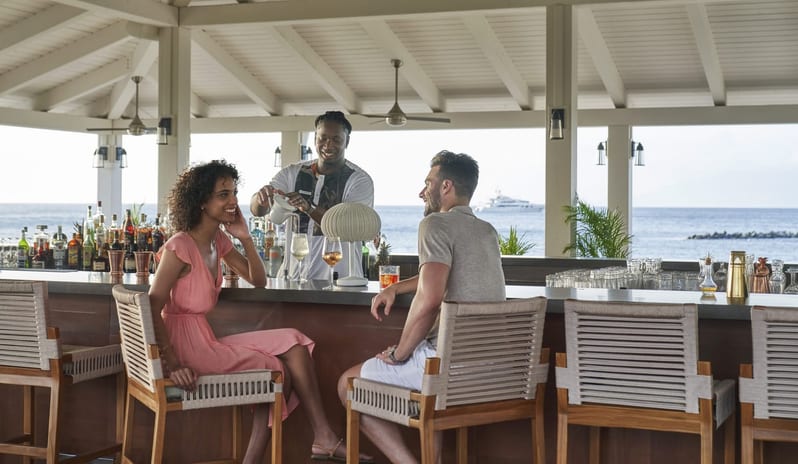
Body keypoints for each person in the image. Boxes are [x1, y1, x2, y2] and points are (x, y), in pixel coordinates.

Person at [149, 160, 371, 464]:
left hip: (204, 339)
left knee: (294, 343)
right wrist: (173, 364)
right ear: (202, 201)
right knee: (277, 370)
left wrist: (245, 237)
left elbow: (257, 279)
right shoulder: (180, 245)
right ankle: (256, 459)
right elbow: (152, 304)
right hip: (185, 350)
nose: (233, 202)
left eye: (234, 193)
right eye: (223, 195)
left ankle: (323, 436)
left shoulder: (218, 240)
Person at [337, 151, 506, 463]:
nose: (421, 191)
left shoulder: (434, 224)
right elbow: (439, 273)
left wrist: (399, 354)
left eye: (428, 182)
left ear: (446, 187)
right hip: (493, 369)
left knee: (348, 385)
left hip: (448, 369)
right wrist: (398, 287)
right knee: (429, 372)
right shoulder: (486, 231)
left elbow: (430, 300)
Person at [250, 111, 374, 280]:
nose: (328, 145)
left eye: (336, 139)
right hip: (293, 278)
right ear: (315, 138)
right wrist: (260, 198)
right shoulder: (291, 173)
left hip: (340, 280)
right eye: (322, 138)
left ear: (347, 141)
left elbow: (349, 228)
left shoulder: (359, 180)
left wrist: (309, 208)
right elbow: (257, 211)